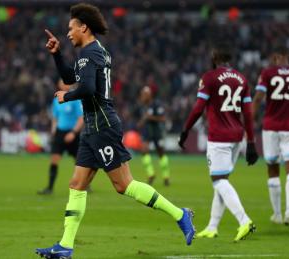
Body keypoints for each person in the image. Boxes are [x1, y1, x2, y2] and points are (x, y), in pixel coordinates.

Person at [35, 4, 195, 258]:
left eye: (70, 28)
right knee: (77, 184)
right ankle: (65, 245)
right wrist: (57, 54)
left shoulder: (90, 54)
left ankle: (180, 214)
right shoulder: (95, 52)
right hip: (92, 127)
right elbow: (69, 77)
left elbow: (85, 89)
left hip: (102, 126)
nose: (67, 33)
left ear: (83, 27)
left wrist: (67, 97)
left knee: (124, 185)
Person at [178, 43, 258, 241]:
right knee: (222, 181)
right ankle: (213, 226)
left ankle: (244, 220)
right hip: (237, 136)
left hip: (219, 136)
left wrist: (186, 130)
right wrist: (251, 142)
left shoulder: (209, 77)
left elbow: (198, 109)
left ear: (214, 59)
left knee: (219, 181)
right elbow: (248, 113)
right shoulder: (242, 79)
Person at [252, 45, 289, 226]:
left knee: (272, 168)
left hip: (271, 127)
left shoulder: (268, 73)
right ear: (288, 55)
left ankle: (277, 214)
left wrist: (249, 121)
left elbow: (258, 98)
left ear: (276, 56)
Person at [38, 79, 84, 195]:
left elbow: (81, 118)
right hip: (60, 133)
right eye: (61, 82)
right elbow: (55, 117)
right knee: (54, 159)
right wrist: (53, 130)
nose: (63, 84)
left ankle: (84, 184)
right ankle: (50, 188)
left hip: (72, 133)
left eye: (65, 82)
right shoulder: (56, 100)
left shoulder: (75, 99)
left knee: (80, 162)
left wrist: (73, 133)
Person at [136, 86, 171, 186]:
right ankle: (151, 174)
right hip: (147, 132)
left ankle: (166, 176)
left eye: (144, 94)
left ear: (149, 95)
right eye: (142, 94)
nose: (142, 96)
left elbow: (163, 118)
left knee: (161, 153)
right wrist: (141, 123)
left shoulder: (156, 104)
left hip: (156, 132)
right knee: (144, 151)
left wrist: (150, 117)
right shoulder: (142, 106)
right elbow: (144, 118)